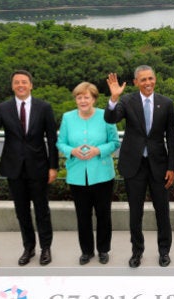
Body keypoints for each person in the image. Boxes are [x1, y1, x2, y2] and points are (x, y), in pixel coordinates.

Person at [0, 70, 58, 266]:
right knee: (21, 211)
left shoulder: (44, 107)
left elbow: (52, 138)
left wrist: (53, 167)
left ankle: (46, 248)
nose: (20, 85)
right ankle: (28, 248)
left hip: (38, 166)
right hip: (14, 168)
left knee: (42, 210)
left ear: (31, 85)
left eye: (24, 82)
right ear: (12, 86)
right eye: (17, 82)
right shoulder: (4, 108)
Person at [105, 65, 174, 268]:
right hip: (133, 166)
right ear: (136, 82)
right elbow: (111, 118)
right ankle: (137, 251)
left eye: (151, 78)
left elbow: (171, 137)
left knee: (162, 211)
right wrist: (113, 99)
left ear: (155, 79)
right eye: (143, 80)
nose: (148, 83)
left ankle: (164, 251)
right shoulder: (127, 101)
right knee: (135, 212)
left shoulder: (166, 103)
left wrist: (172, 167)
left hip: (159, 166)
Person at [56, 82, 120, 265]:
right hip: (77, 175)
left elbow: (115, 142)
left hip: (102, 175)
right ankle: (86, 251)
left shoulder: (105, 116)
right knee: (82, 216)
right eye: (79, 97)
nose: (83, 100)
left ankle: (103, 250)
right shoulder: (67, 118)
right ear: (75, 99)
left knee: (103, 215)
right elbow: (60, 143)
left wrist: (98, 150)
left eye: (86, 97)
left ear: (94, 99)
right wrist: (71, 151)